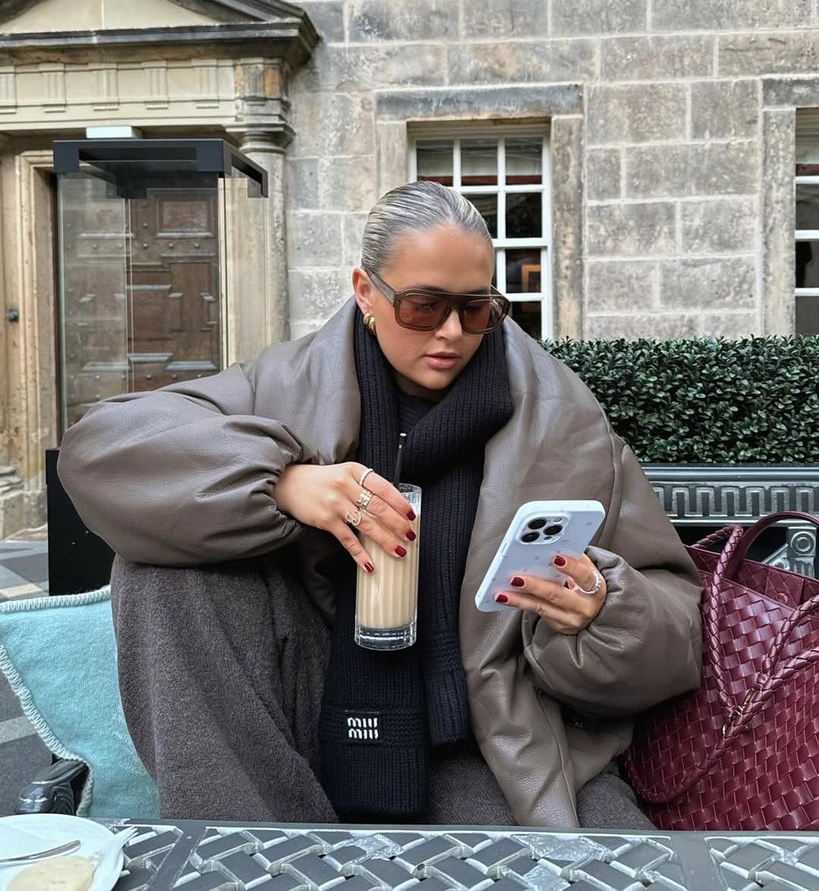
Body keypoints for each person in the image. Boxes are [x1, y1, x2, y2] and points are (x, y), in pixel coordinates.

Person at [58, 180, 702, 827]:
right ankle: (258, 852)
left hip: (490, 737)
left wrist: (599, 612)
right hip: (306, 716)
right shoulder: (285, 387)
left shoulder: (566, 425)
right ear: (365, 291)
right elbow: (103, 448)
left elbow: (673, 625)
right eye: (423, 306)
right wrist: (282, 481)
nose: (452, 333)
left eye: (476, 309)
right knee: (162, 563)